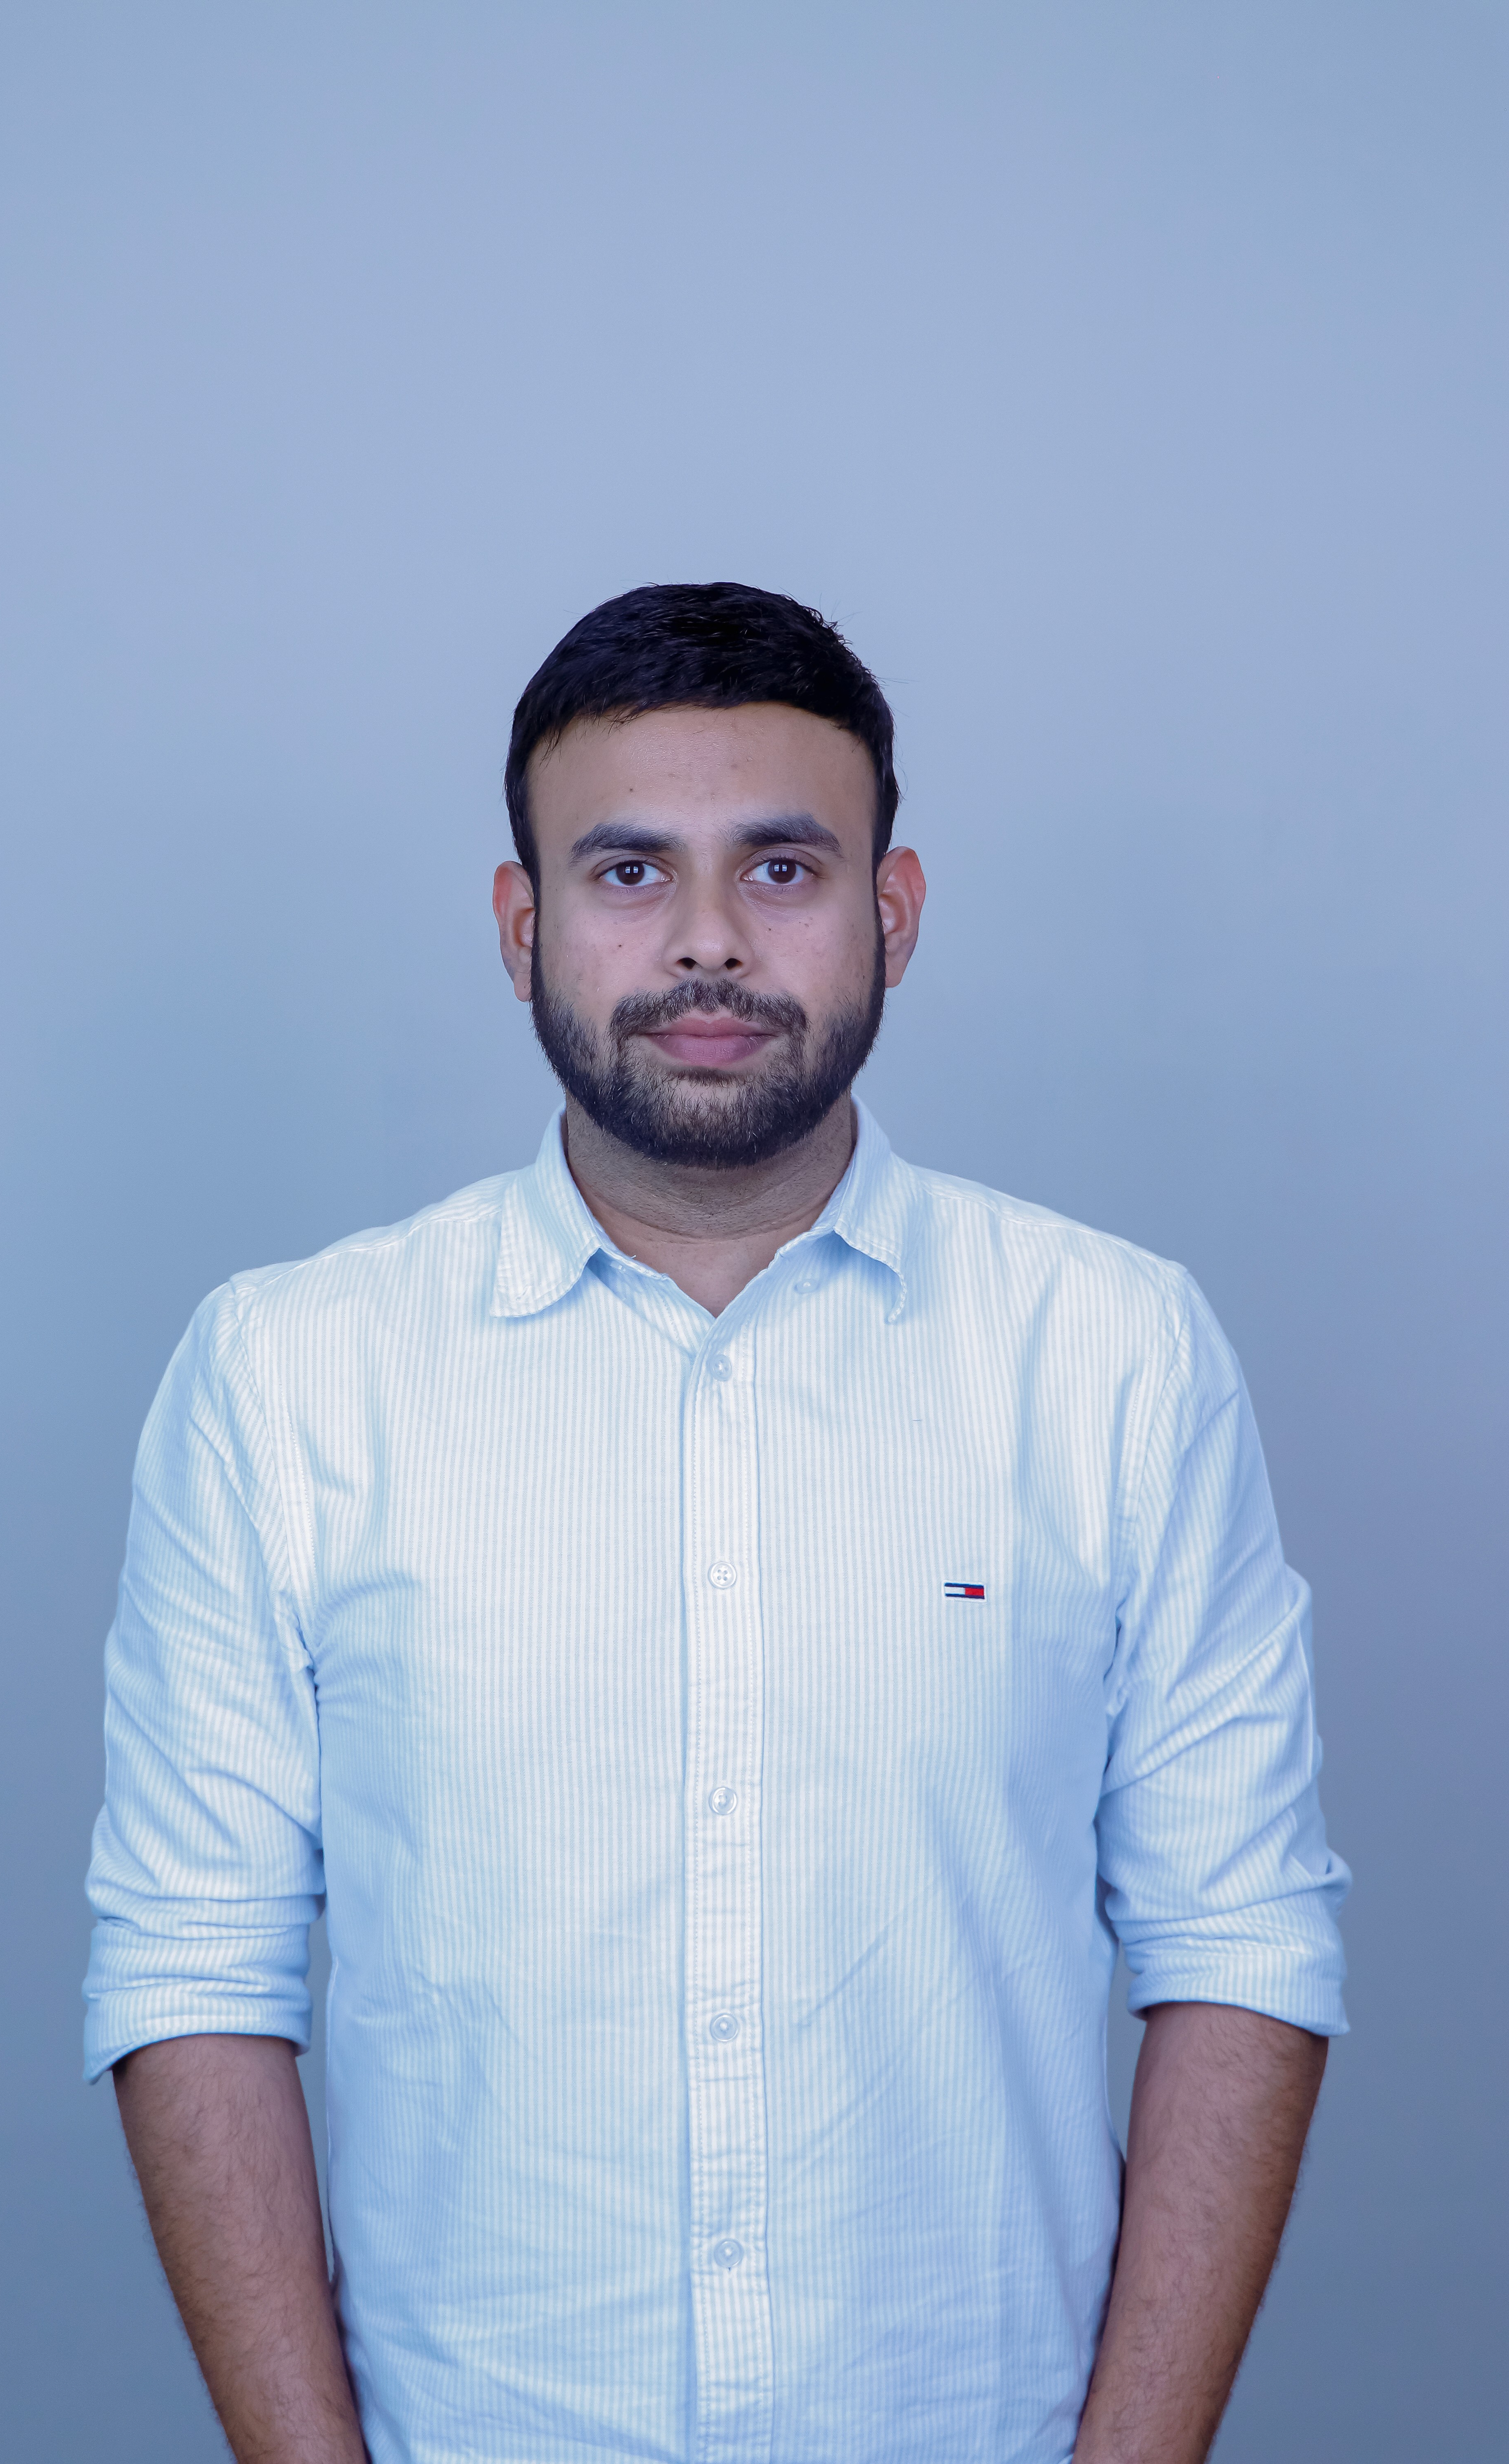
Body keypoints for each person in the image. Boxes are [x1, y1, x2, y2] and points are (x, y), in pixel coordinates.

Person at [85, 582, 1348, 2464]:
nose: (703, 941)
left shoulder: (1112, 1354)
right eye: (625, 873)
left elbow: (1239, 1939)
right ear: (520, 925)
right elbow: (193, 1964)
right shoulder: (291, 1376)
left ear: (890, 913)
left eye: (779, 869)